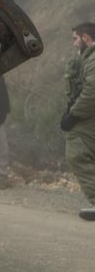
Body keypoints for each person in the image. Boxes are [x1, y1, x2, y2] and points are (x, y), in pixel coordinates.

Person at [61, 22, 95, 221]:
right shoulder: (87, 59)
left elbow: (92, 92)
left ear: (86, 38)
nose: (74, 43)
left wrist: (73, 115)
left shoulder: (92, 59)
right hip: (88, 114)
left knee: (77, 154)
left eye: (75, 38)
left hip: (87, 117)